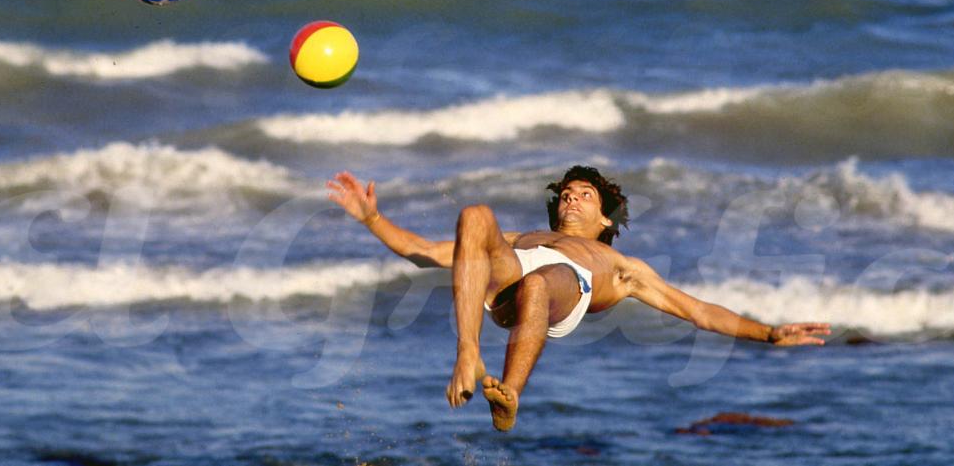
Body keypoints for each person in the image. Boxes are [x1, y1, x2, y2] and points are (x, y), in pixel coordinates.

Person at [327, 165, 830, 431]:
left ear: (606, 218)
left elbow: (696, 311)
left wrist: (767, 332)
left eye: (584, 193)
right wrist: (372, 218)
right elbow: (422, 251)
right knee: (475, 216)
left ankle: (510, 396)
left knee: (541, 280)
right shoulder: (528, 237)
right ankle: (468, 353)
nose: (571, 197)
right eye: (566, 192)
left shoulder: (622, 267)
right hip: (508, 282)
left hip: (561, 292)